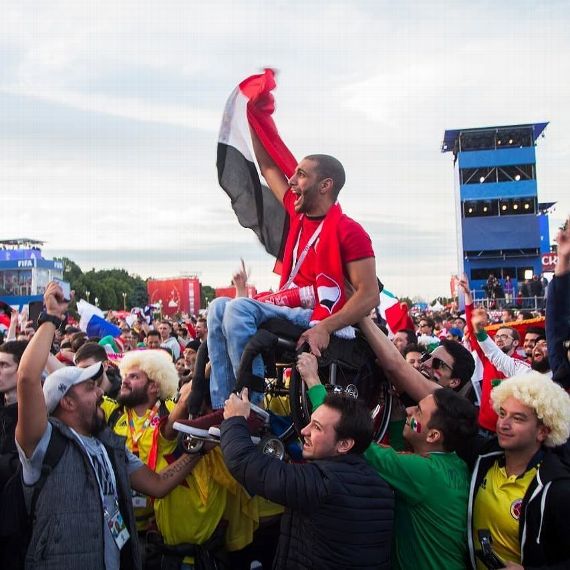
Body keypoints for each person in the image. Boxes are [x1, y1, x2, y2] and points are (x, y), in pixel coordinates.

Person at [15, 282, 205, 570]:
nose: (101, 392)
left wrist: (199, 449)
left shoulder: (109, 445)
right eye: (90, 387)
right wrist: (51, 318)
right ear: (66, 402)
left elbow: (158, 484)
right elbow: (28, 378)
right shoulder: (43, 443)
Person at [206, 146, 378, 410]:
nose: (291, 181)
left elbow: (369, 295)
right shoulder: (297, 215)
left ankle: (251, 408)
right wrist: (251, 111)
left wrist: (325, 327)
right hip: (289, 305)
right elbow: (268, 168)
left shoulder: (349, 231)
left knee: (238, 308)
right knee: (217, 307)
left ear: (325, 185)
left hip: (318, 314)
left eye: (300, 175)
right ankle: (224, 408)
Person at [297, 351, 477, 570]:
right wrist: (397, 420)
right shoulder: (454, 463)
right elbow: (399, 459)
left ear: (433, 436)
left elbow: (355, 443)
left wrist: (313, 381)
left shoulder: (425, 473)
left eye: (418, 412)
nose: (410, 409)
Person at [220, 387, 394, 569]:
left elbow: (243, 463)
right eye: (310, 422)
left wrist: (235, 419)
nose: (304, 430)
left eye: (316, 427)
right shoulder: (381, 486)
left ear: (344, 444)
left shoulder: (323, 482)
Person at [464, 373, 570, 569]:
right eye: (502, 413)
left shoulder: (557, 488)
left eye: (518, 418)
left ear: (543, 431)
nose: (503, 424)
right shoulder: (483, 457)